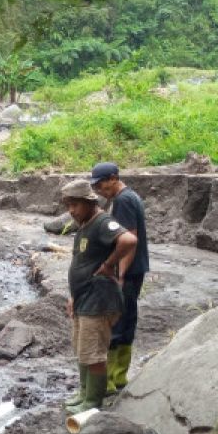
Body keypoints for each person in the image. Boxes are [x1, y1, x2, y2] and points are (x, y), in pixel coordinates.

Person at [62, 178, 138, 414]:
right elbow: (82, 262)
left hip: (99, 300)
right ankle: (84, 392)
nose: (71, 211)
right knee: (83, 348)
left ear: (89, 202)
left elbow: (129, 239)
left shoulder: (103, 222)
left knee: (94, 353)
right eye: (69, 205)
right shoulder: (85, 225)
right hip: (84, 298)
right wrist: (74, 295)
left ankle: (93, 401)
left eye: (75, 205)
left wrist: (109, 264)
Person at [90, 162, 149, 394]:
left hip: (128, 270)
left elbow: (130, 239)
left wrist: (119, 273)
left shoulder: (123, 201)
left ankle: (111, 381)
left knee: (116, 322)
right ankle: (120, 376)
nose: (99, 190)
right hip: (137, 269)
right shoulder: (131, 196)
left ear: (114, 178)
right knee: (127, 320)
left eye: (102, 184)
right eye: (96, 186)